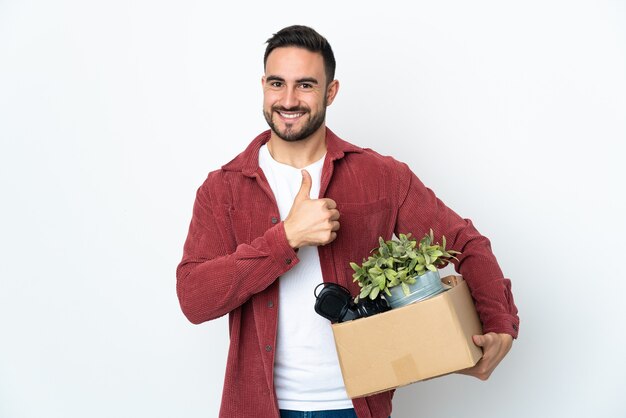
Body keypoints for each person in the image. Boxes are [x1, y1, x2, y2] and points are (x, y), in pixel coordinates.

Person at [176, 25, 519, 418]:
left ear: (331, 92)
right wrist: (286, 238)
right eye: (277, 83)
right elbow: (194, 299)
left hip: (354, 407)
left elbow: (465, 242)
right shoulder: (223, 189)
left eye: (305, 85)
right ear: (263, 86)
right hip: (257, 406)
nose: (288, 99)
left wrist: (498, 322)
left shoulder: (381, 177)